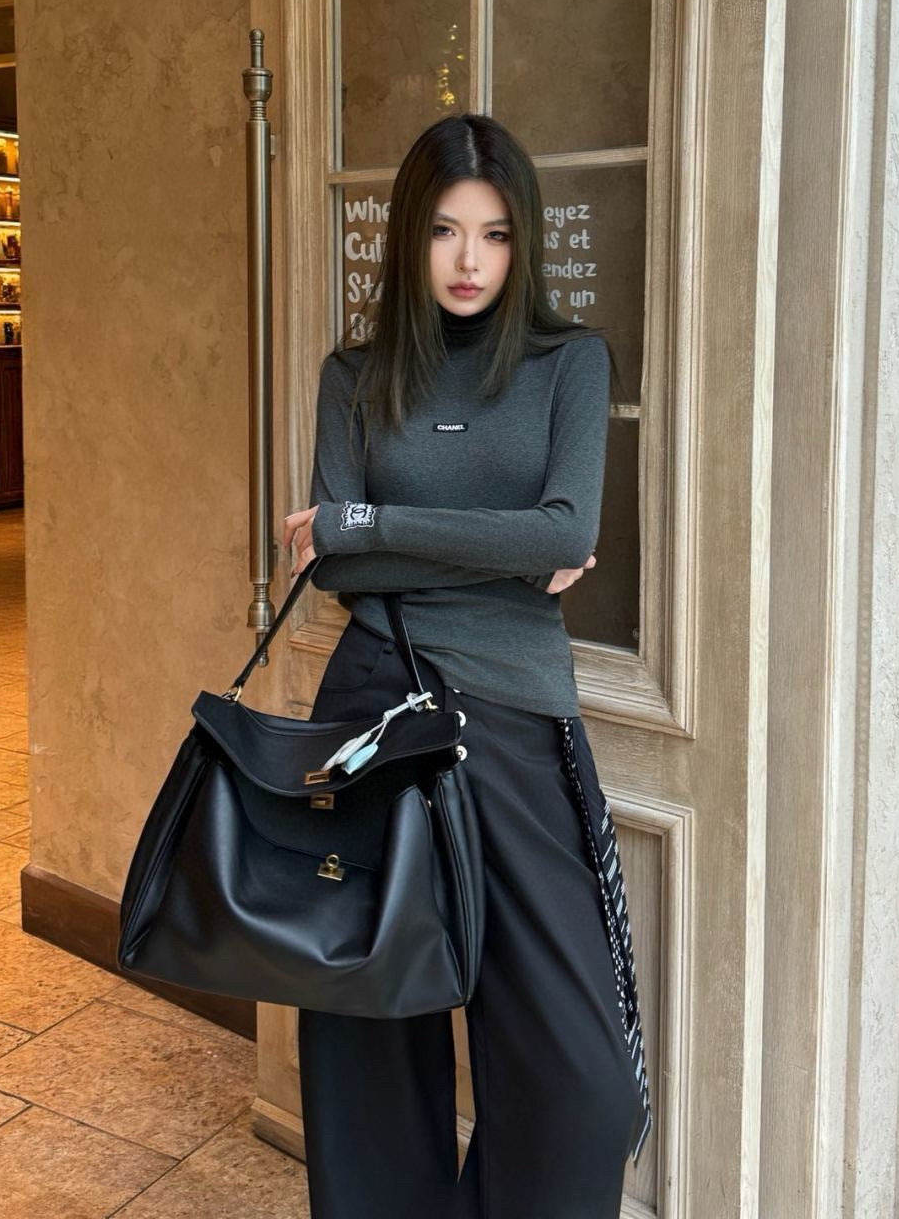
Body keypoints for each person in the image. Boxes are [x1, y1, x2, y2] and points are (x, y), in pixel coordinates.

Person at [281, 112, 652, 1219]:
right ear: (410, 236)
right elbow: (340, 574)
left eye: (493, 234)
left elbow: (565, 530)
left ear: (520, 242)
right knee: (367, 1047)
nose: (469, 260)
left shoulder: (568, 363)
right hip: (374, 709)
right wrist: (495, 546)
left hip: (518, 723)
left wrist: (367, 519)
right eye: (444, 230)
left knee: (584, 1087)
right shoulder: (353, 375)